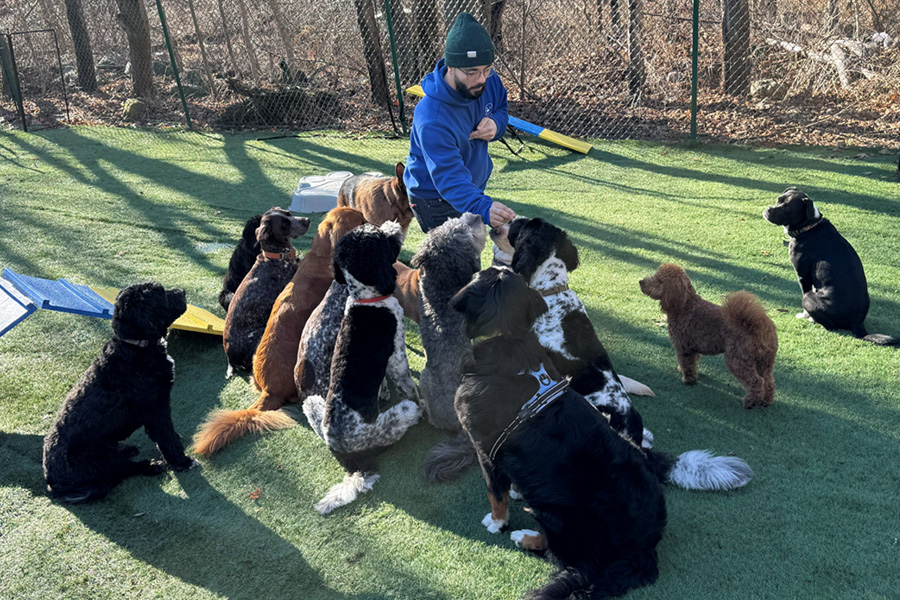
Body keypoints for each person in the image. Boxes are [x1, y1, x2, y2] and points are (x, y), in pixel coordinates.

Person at [404, 12, 517, 233]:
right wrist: (483, 207)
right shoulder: (432, 117)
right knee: (452, 264)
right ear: (451, 67)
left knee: (471, 258)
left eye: (486, 69)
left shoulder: (489, 81)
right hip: (434, 198)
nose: (482, 79)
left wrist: (496, 124)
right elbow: (449, 178)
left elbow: (501, 108)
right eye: (472, 72)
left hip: (472, 189)